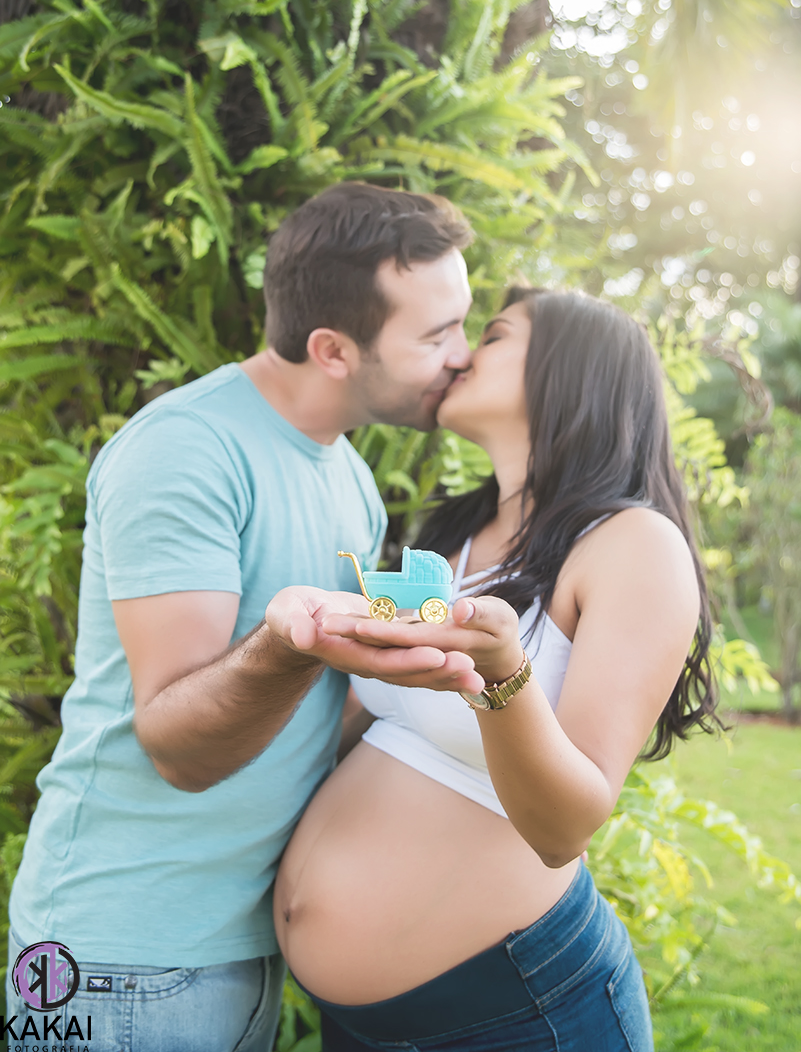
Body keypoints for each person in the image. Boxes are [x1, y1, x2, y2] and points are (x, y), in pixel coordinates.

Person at [5, 183, 486, 1052]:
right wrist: (290, 645)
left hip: (239, 950)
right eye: (434, 335)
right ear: (333, 349)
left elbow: (306, 724)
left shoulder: (350, 478)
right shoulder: (185, 452)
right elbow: (180, 747)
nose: (462, 355)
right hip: (119, 957)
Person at [274, 287, 720, 1052]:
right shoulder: (454, 536)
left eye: (492, 333)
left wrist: (499, 672)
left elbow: (563, 827)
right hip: (362, 1023)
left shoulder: (631, 545)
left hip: (512, 1017)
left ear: (570, 371)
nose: (460, 353)